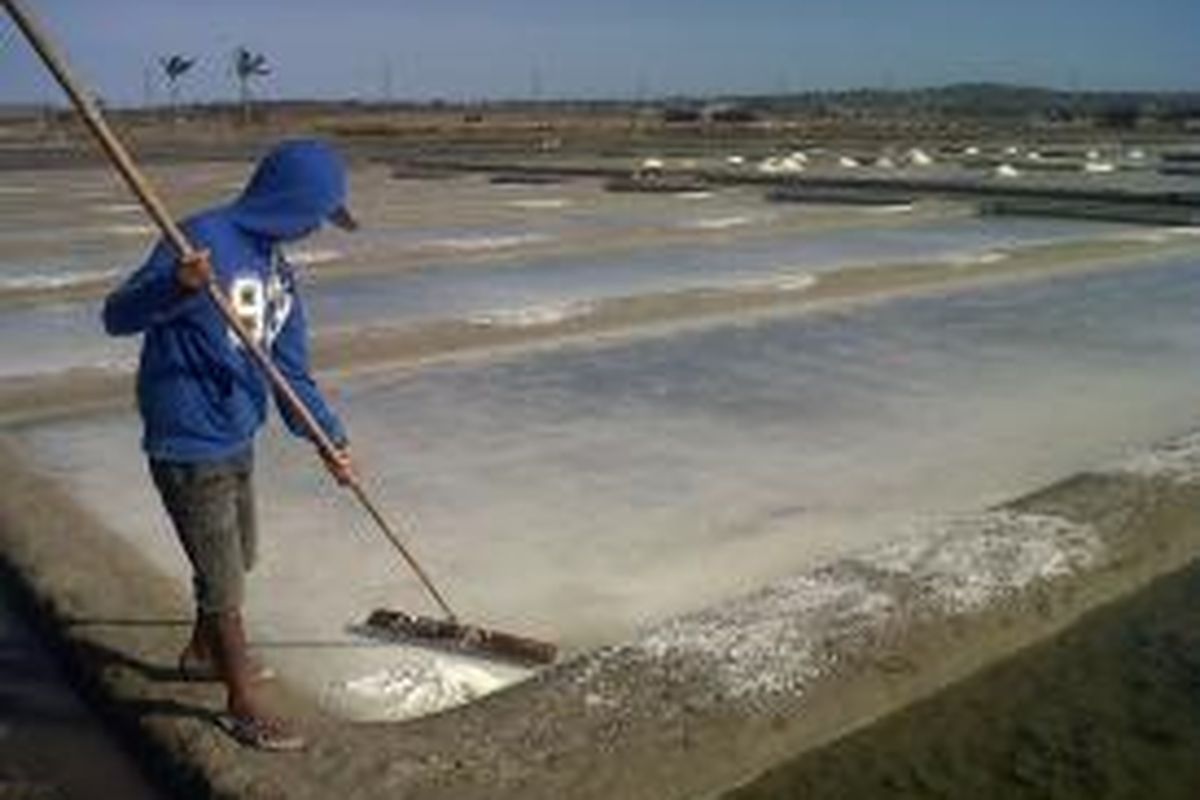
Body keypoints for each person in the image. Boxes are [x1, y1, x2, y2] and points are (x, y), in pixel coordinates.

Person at [102, 139, 357, 751]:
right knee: (224, 580)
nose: (316, 230)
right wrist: (178, 287)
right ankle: (242, 700)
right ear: (291, 201)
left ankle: (200, 652)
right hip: (188, 436)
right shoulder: (199, 237)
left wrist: (330, 439)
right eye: (318, 216)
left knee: (238, 557)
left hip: (239, 427)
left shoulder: (278, 268)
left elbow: (289, 369)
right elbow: (116, 315)